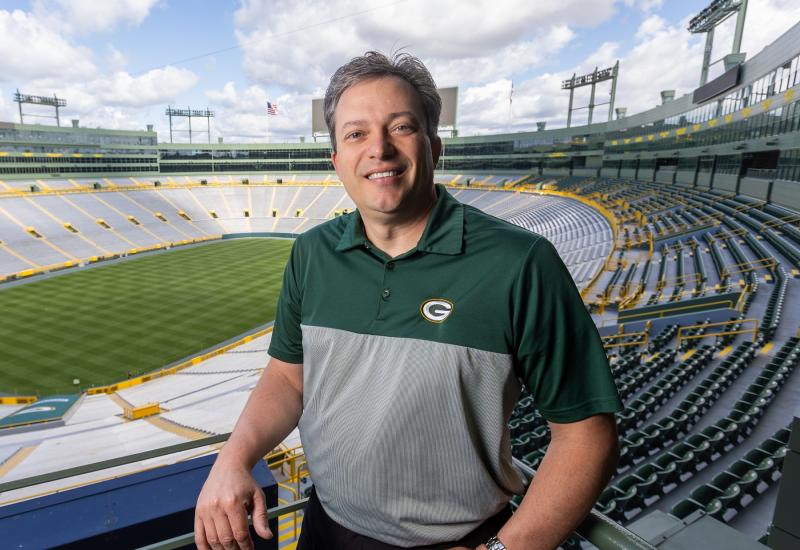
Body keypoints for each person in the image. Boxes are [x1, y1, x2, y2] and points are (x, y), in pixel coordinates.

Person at [194, 51, 622, 550]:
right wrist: (233, 458)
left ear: (434, 146)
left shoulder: (520, 262)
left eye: (400, 127)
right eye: (355, 134)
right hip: (324, 527)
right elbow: (289, 377)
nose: (378, 149)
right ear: (336, 161)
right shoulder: (312, 253)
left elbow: (589, 435)